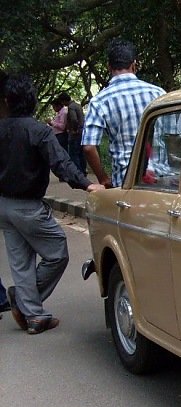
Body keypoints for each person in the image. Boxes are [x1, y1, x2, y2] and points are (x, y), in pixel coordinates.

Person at [0, 74, 104, 334]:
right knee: (57, 251)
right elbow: (62, 163)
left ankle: (33, 315)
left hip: (4, 206)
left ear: (7, 101)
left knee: (21, 261)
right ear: (33, 101)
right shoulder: (38, 131)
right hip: (28, 206)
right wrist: (88, 184)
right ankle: (26, 304)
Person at [82, 39, 166, 188]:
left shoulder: (100, 101)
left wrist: (103, 178)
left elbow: (88, 147)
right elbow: (174, 136)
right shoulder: (159, 93)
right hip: (162, 180)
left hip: (125, 182)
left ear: (109, 67)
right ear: (134, 65)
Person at [57, 91, 87, 175]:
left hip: (76, 134)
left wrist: (74, 129)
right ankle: (83, 170)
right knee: (81, 153)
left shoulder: (71, 107)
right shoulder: (78, 105)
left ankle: (78, 172)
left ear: (63, 100)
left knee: (73, 154)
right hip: (82, 132)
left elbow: (74, 119)